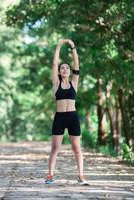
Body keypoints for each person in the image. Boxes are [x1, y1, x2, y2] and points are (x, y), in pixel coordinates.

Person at [45, 39, 89, 186]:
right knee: (55, 148)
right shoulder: (56, 84)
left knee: (77, 148)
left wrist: (73, 47)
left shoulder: (74, 83)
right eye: (62, 68)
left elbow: (77, 65)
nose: (64, 69)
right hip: (59, 118)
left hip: (72, 117)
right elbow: (53, 63)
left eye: (66, 68)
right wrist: (58, 45)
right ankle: (50, 176)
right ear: (59, 71)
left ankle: (81, 176)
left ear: (70, 72)